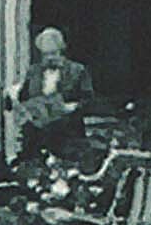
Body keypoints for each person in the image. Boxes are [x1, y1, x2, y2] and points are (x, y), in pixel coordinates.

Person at [12, 27, 95, 175]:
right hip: (36, 137)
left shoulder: (77, 71)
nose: (50, 58)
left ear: (61, 51)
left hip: (67, 135)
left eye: (53, 53)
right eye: (46, 54)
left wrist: (73, 107)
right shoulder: (33, 72)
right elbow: (23, 97)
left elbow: (89, 100)